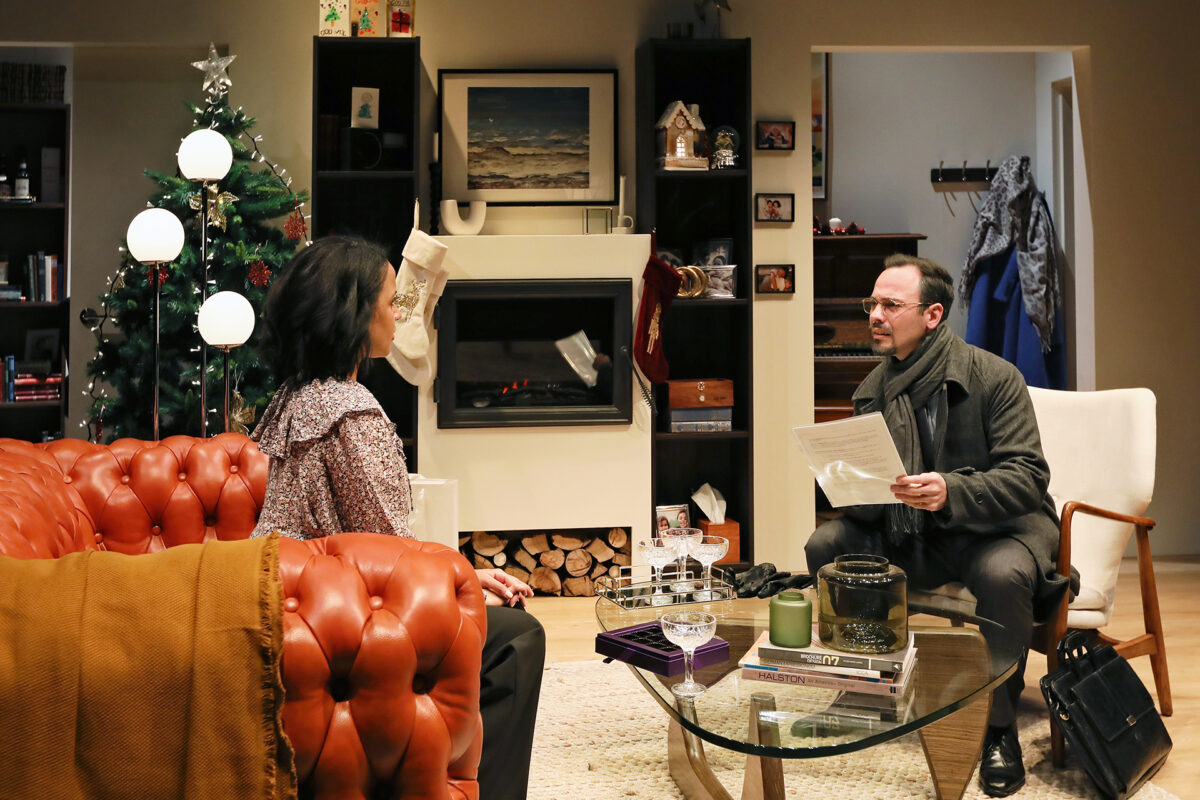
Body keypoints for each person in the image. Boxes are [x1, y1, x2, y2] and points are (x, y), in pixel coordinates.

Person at [251, 235, 545, 800]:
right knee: (518, 639)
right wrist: (457, 584)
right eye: (391, 300)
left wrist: (463, 574)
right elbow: (393, 565)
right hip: (335, 632)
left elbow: (372, 542)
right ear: (355, 315)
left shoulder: (294, 398)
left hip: (287, 606)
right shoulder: (354, 413)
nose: (399, 314)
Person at [803, 254, 1074, 798]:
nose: (875, 315)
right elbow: (862, 501)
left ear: (931, 315)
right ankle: (872, 688)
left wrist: (951, 490)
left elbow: (1027, 476)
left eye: (889, 305)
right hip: (910, 532)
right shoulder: (871, 391)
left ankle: (998, 728)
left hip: (991, 530)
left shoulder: (995, 377)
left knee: (1002, 575)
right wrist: (848, 483)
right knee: (826, 543)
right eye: (871, 304)